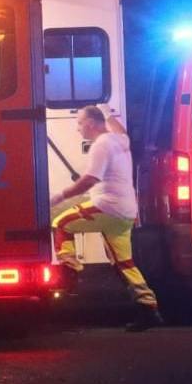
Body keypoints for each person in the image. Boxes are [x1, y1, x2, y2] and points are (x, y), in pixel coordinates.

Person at [49, 106, 161, 331]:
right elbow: (122, 131)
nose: (78, 127)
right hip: (125, 211)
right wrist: (108, 113)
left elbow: (90, 180)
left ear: (90, 123)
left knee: (60, 223)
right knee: (124, 263)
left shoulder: (101, 145)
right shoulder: (119, 140)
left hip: (107, 207)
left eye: (80, 123)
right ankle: (148, 308)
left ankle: (70, 271)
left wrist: (59, 197)